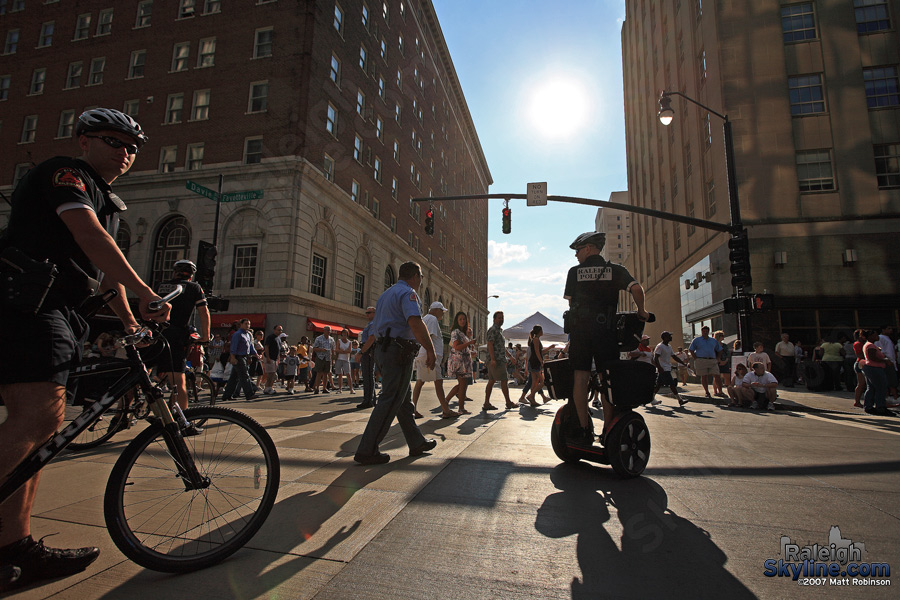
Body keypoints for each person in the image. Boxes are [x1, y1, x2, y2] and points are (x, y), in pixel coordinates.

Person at [0, 108, 171, 591]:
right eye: (114, 141)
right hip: (27, 303)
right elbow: (88, 236)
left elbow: (100, 271)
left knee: (44, 427)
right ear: (84, 141)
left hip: (53, 308)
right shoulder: (66, 174)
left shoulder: (104, 197)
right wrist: (145, 290)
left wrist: (133, 322)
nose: (125, 153)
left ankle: (14, 548)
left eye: (132, 147)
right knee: (38, 417)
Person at [564, 232, 649, 447]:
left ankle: (584, 428)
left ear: (589, 248)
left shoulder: (574, 273)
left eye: (578, 250)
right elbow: (636, 289)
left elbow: (570, 303)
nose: (576, 255)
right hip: (606, 331)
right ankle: (609, 429)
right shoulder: (616, 270)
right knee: (606, 377)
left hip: (581, 331)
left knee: (580, 377)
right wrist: (642, 311)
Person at [354, 262, 438, 465]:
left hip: (384, 351)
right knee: (390, 399)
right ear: (416, 276)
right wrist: (430, 350)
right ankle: (367, 449)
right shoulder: (408, 293)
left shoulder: (386, 295)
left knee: (403, 401)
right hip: (397, 352)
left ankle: (416, 442)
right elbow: (415, 322)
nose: (420, 282)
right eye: (421, 278)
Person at [155, 259, 211, 410]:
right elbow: (203, 312)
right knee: (178, 380)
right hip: (175, 334)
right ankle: (183, 418)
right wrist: (205, 337)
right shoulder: (194, 287)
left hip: (154, 332)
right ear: (191, 276)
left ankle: (122, 412)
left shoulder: (160, 286)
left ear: (174, 273)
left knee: (142, 372)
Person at [412, 302, 458, 418]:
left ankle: (413, 409)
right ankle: (446, 410)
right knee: (438, 382)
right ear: (436, 310)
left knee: (420, 382)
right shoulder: (432, 319)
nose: (442, 313)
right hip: (430, 355)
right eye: (441, 311)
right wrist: (431, 354)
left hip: (424, 354)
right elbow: (430, 336)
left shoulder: (425, 319)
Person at [444, 312, 477, 414]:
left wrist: (471, 352)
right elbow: (456, 347)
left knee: (462, 385)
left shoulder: (462, 333)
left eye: (464, 319)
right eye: (460, 319)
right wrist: (469, 343)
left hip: (465, 361)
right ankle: (459, 407)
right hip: (459, 361)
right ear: (457, 321)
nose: (462, 321)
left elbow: (463, 348)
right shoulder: (456, 332)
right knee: (462, 384)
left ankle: (446, 403)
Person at [483, 311, 517, 411]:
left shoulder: (499, 331)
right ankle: (508, 402)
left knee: (492, 381)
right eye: (499, 318)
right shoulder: (493, 330)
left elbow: (501, 346)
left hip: (498, 359)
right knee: (504, 380)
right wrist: (493, 359)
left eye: (502, 317)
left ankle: (486, 403)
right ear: (494, 319)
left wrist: (510, 356)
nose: (501, 319)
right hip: (496, 360)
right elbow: (490, 344)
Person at [220, 318, 259, 402]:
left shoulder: (248, 334)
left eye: (248, 324)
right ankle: (249, 394)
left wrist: (255, 354)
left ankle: (227, 395)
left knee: (234, 377)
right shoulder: (237, 334)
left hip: (244, 356)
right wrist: (233, 357)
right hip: (238, 357)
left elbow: (250, 346)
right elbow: (233, 347)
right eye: (245, 324)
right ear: (241, 324)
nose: (247, 325)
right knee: (244, 375)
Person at [862, 330, 893, 416]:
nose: (877, 336)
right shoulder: (870, 345)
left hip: (871, 368)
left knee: (871, 387)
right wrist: (885, 360)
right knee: (881, 387)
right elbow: (873, 358)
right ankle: (880, 407)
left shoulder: (870, 345)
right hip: (874, 368)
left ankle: (868, 406)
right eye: (875, 335)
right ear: (870, 336)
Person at [652, 331, 687, 406]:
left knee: (658, 385)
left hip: (667, 368)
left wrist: (683, 363)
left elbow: (674, 356)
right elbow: (655, 358)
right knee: (671, 384)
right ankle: (680, 400)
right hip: (663, 369)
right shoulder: (660, 346)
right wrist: (659, 367)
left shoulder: (669, 346)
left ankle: (650, 398)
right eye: (669, 336)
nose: (671, 337)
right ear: (664, 338)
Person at [689, 326, 723, 399]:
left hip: (712, 360)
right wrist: (695, 358)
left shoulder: (713, 341)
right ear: (701, 332)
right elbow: (691, 349)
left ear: (708, 332)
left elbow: (719, 349)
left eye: (706, 331)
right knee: (704, 376)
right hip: (701, 360)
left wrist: (718, 358)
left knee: (717, 375)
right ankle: (707, 392)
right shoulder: (697, 340)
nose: (705, 332)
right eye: (703, 331)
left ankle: (720, 391)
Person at [357, 307, 378, 409]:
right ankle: (371, 399)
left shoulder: (373, 324)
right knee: (368, 376)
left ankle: (368, 400)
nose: (367, 314)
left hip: (368, 351)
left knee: (367, 376)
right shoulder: (371, 324)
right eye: (366, 313)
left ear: (374, 313)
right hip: (368, 350)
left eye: (369, 313)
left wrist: (361, 352)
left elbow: (371, 338)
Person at [524, 325, 548, 407]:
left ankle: (532, 399)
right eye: (541, 330)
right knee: (542, 382)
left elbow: (539, 352)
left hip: (533, 362)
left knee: (534, 382)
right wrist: (541, 361)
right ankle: (531, 396)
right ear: (539, 331)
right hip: (535, 362)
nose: (542, 332)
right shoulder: (536, 340)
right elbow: (538, 352)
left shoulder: (534, 339)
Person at [311, 326, 336, 394]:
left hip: (328, 358)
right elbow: (314, 348)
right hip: (320, 357)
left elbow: (333, 349)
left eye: (329, 330)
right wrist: (321, 350)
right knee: (319, 373)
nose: (328, 332)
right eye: (327, 330)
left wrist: (333, 359)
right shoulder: (319, 338)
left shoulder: (331, 339)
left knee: (326, 373)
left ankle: (324, 388)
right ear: (324, 330)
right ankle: (317, 388)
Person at [261, 325, 284, 395]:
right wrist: (268, 357)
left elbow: (278, 350)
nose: (280, 331)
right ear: (274, 330)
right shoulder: (270, 337)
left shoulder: (278, 338)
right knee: (270, 374)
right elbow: (266, 347)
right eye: (278, 330)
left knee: (273, 373)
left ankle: (269, 387)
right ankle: (267, 388)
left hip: (275, 358)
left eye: (281, 330)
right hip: (269, 358)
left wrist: (278, 358)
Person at [713, 330, 731, 400]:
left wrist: (725, 360)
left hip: (725, 362)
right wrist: (719, 360)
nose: (723, 337)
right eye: (722, 336)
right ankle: (715, 391)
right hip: (717, 362)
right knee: (717, 377)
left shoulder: (725, 345)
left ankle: (728, 389)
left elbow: (727, 354)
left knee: (727, 375)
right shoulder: (714, 345)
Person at [334, 328, 354, 393]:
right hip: (339, 359)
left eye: (346, 333)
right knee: (339, 374)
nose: (344, 334)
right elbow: (336, 349)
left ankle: (351, 389)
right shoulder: (339, 341)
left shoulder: (349, 342)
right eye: (343, 333)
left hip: (346, 359)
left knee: (348, 374)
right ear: (342, 334)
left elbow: (349, 350)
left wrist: (342, 351)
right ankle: (340, 389)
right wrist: (343, 351)